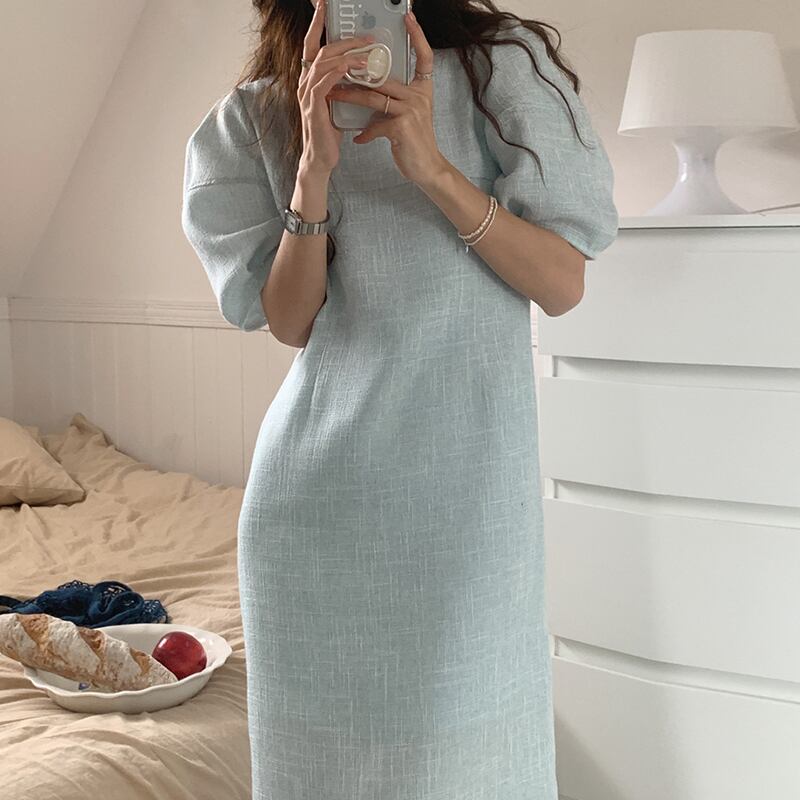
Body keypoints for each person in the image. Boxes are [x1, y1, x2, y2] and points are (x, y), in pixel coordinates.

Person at [181, 1, 618, 797]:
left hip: (468, 507)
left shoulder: (498, 71)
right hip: (315, 508)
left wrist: (433, 169)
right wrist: (314, 172)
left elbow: (561, 283)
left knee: (473, 769)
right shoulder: (261, 113)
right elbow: (290, 322)